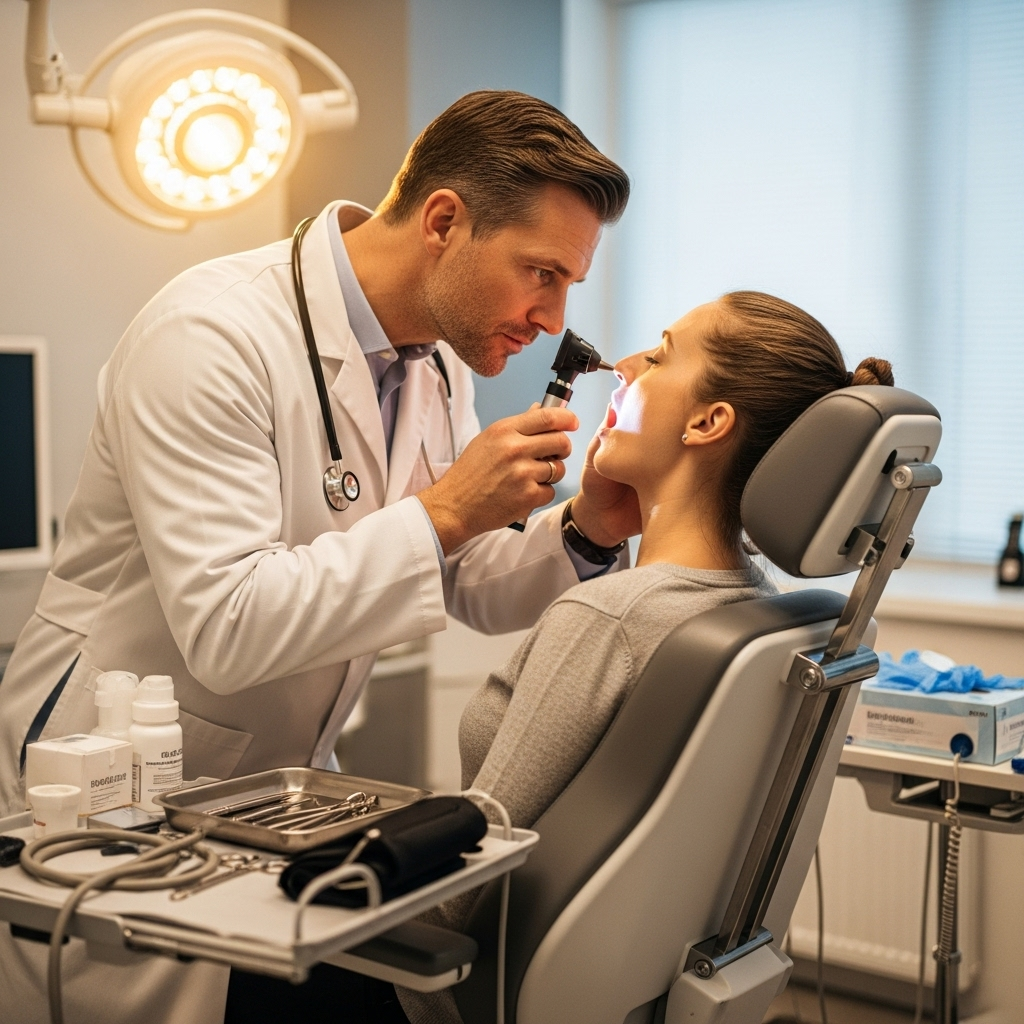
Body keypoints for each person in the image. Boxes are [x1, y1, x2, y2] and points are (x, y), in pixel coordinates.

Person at [0, 91, 633, 1024]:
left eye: (570, 284)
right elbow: (226, 628)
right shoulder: (209, 337)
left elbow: (469, 583)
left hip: (276, 784)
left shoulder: (436, 360)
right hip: (120, 772)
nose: (552, 316)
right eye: (540, 272)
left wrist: (589, 530)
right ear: (445, 222)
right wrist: (444, 510)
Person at [395, 290, 895, 1024]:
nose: (623, 368)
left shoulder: (612, 619)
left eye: (659, 355)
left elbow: (471, 871)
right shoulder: (766, 611)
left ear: (707, 421)